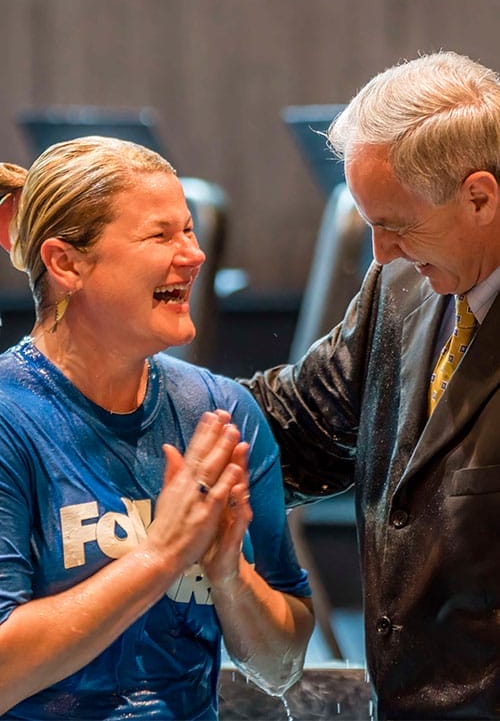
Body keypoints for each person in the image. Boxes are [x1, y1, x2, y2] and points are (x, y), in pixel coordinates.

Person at [0, 136, 314, 720]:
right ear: (66, 263)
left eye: (189, 231)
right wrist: (162, 554)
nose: (193, 255)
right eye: (161, 235)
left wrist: (229, 574)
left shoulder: (222, 414)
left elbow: (281, 668)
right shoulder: (8, 419)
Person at [243, 51, 500, 719]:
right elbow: (294, 425)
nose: (380, 250)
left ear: (480, 195)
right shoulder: (401, 286)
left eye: (396, 223)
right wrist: (122, 402)